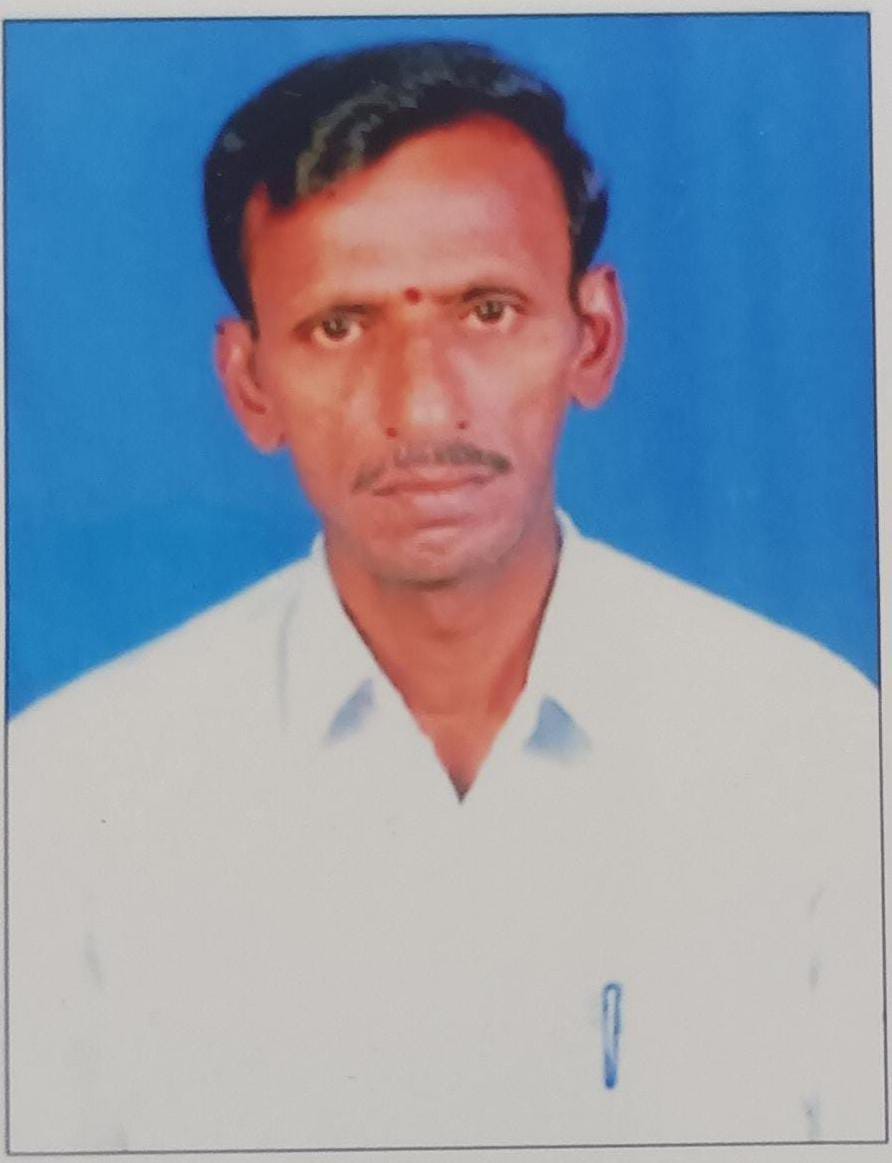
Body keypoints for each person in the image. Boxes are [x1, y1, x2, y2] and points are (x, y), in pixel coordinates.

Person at [9, 40, 884, 1152]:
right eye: (339, 325)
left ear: (594, 337)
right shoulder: (72, 797)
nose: (422, 407)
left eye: (488, 310)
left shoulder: (812, 752)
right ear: (251, 382)